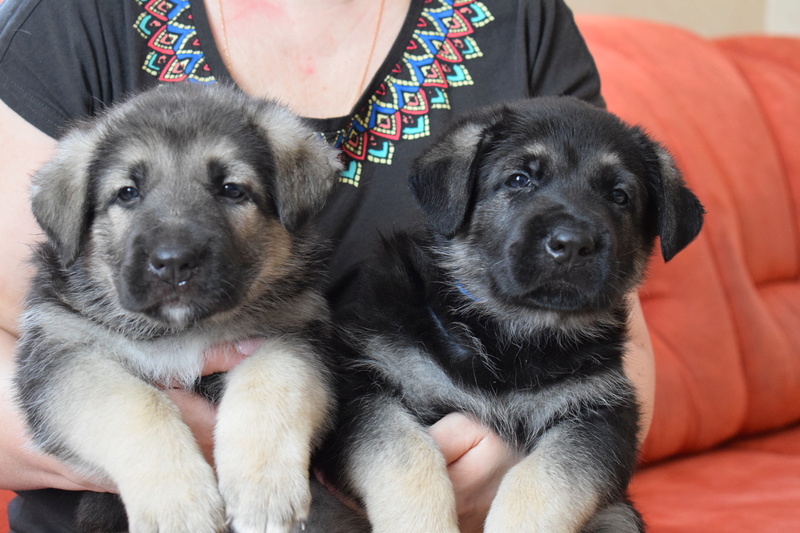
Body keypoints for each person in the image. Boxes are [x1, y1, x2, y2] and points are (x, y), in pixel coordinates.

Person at [0, 0, 655, 531]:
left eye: (231, 190)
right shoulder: (74, 19)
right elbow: (40, 349)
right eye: (127, 192)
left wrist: (532, 463)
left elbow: (610, 345)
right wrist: (159, 452)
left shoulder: (520, 18)